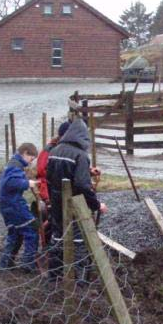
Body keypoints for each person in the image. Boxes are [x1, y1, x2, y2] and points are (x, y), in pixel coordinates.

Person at [46, 116, 107, 279]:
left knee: (57, 235)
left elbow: (50, 177)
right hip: (74, 203)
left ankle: (54, 273)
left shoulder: (54, 151)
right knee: (79, 238)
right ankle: (80, 277)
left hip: (56, 200)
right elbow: (82, 185)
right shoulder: (81, 155)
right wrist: (96, 205)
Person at [0, 143, 39, 270]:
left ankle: (5, 262)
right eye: (31, 158)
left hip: (5, 203)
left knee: (14, 232)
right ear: (25, 153)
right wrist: (28, 183)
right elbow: (10, 183)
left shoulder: (12, 163)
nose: (31, 161)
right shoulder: (15, 166)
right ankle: (28, 264)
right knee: (31, 230)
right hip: (14, 204)